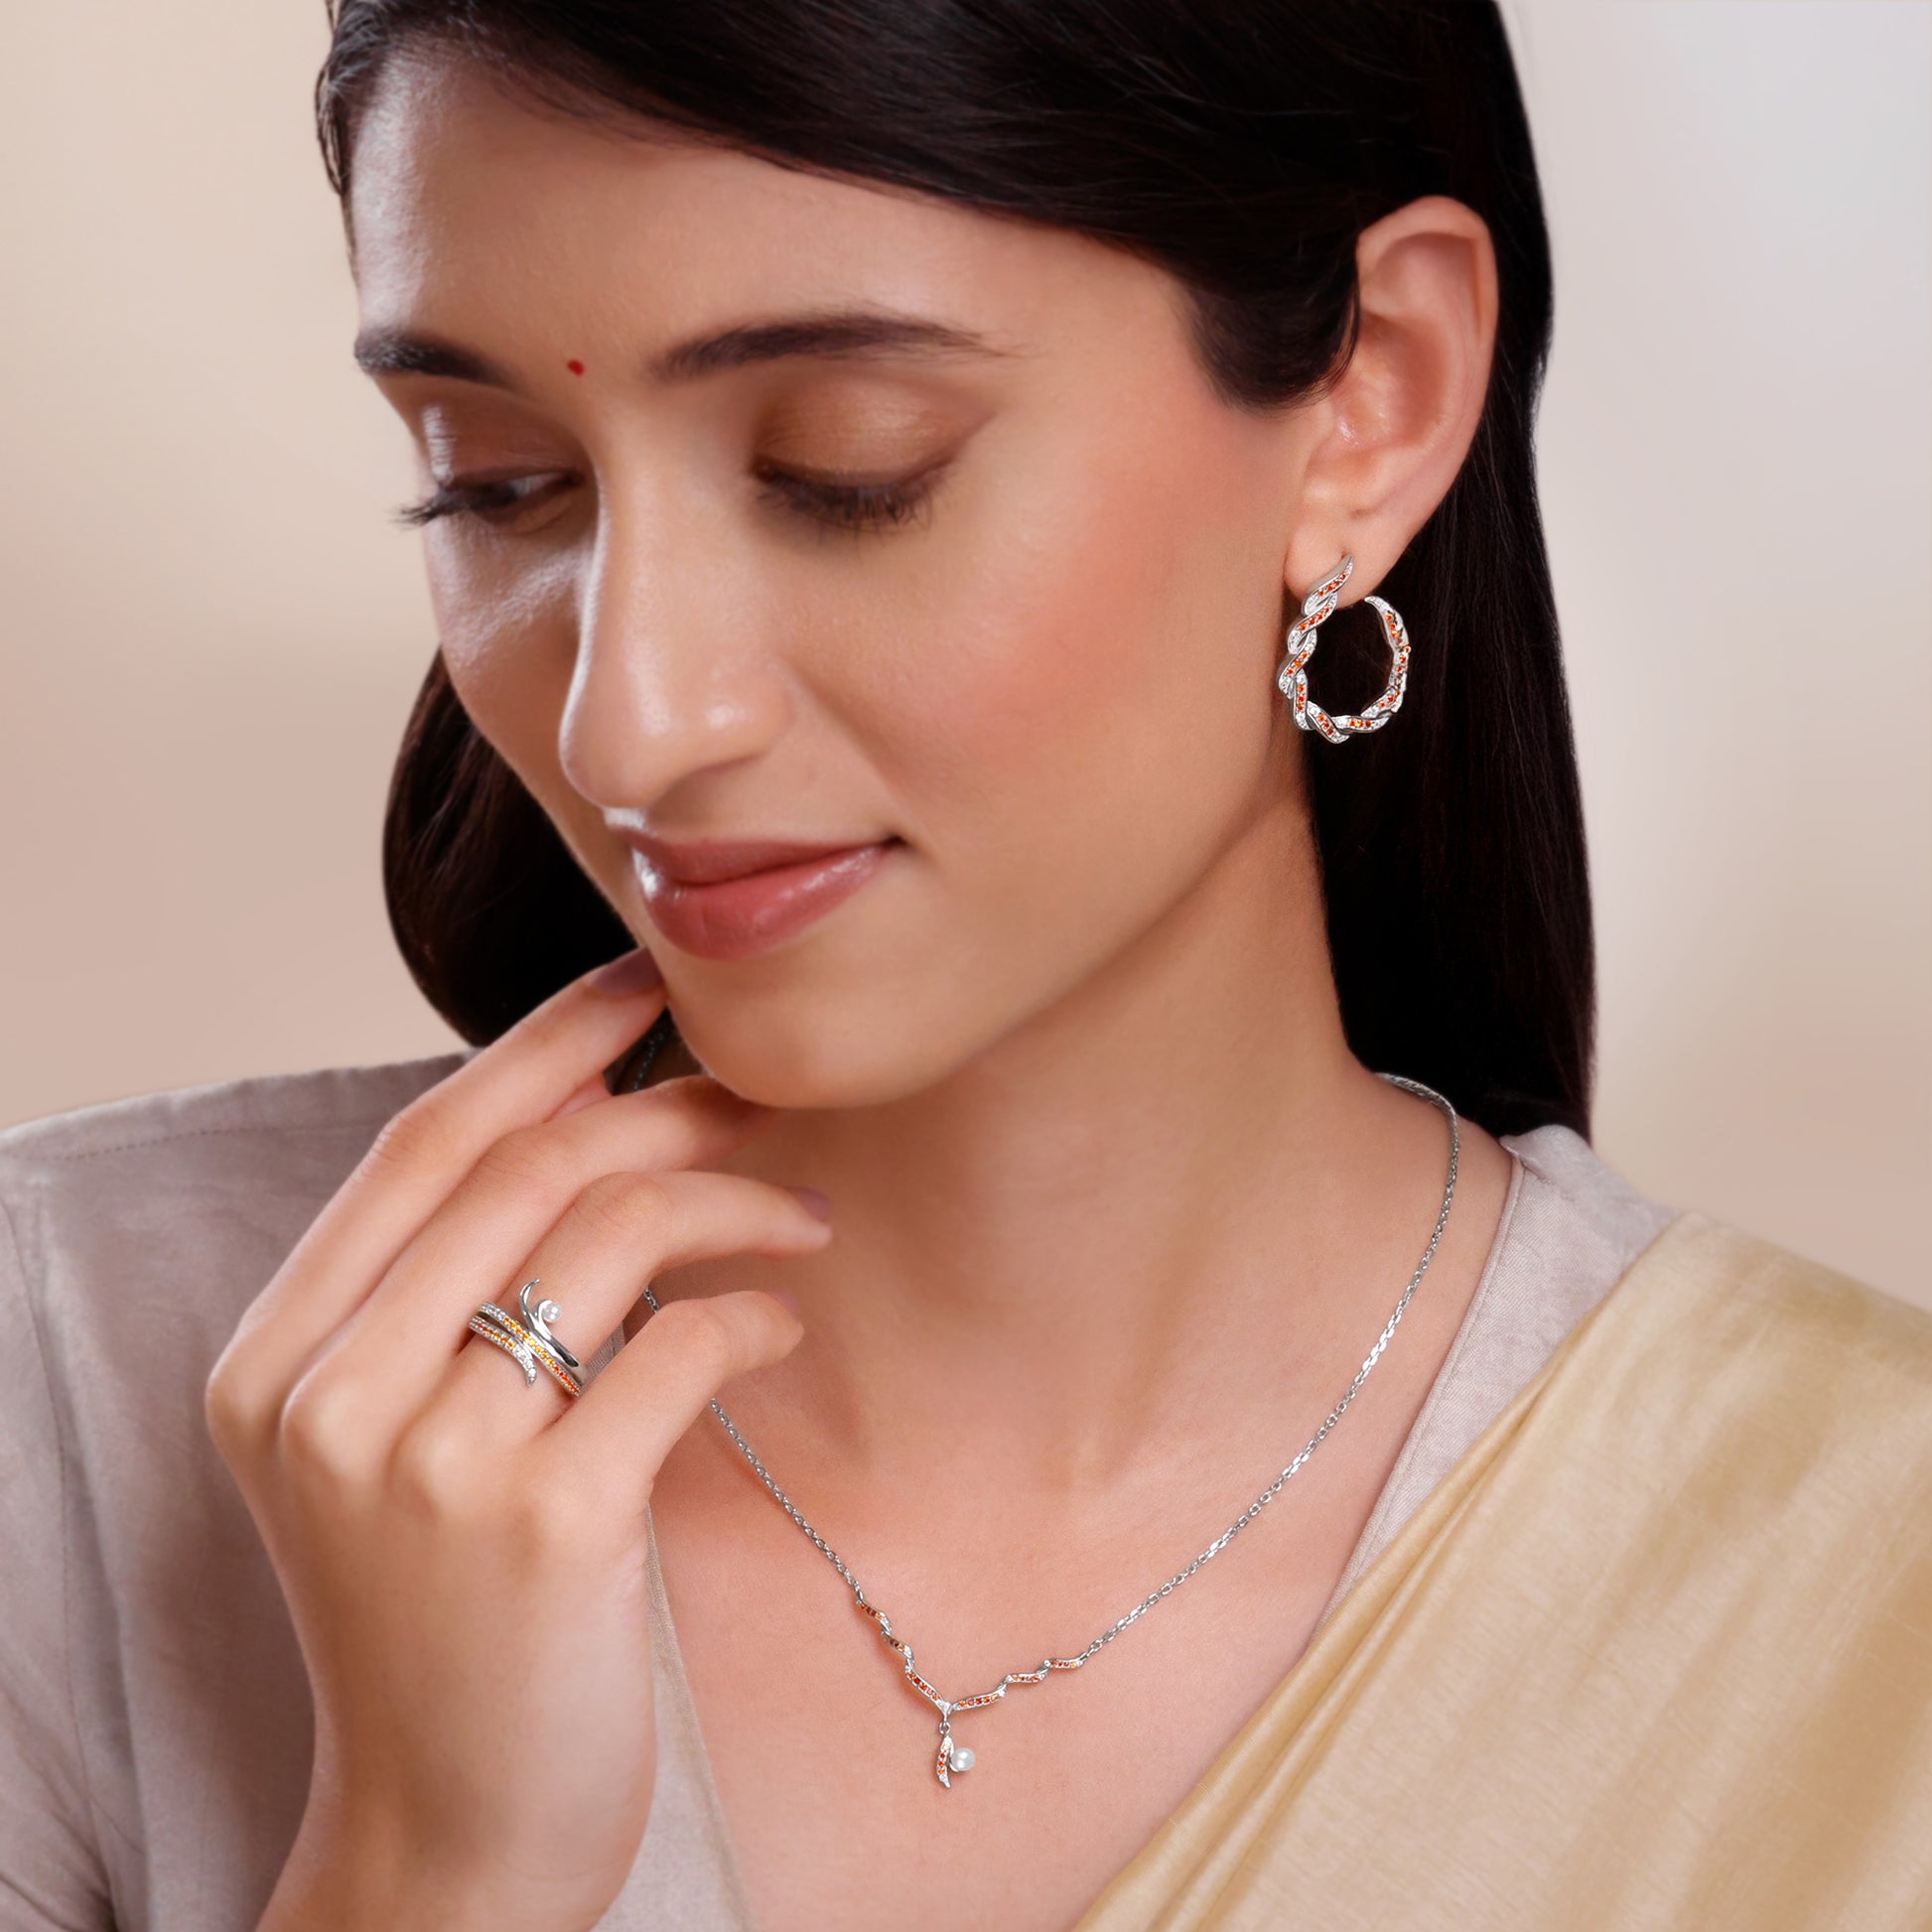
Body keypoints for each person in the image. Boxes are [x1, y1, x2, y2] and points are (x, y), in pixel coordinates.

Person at [3, 4, 1927, 1929]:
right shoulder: (68, 1405)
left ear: (1374, 397)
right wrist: (425, 1869)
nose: (630, 722)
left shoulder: (1867, 1573)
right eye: (498, 481)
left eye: (846, 469)